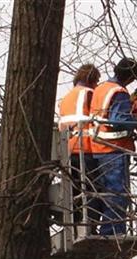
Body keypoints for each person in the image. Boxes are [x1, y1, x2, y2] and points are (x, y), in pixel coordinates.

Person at [90, 57, 137, 236]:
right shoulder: (119, 92)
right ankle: (113, 232)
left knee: (104, 192)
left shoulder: (102, 89)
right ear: (130, 77)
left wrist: (130, 102)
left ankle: (104, 229)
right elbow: (119, 121)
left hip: (98, 149)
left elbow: (106, 114)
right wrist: (136, 120)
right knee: (118, 193)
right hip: (114, 148)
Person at [58, 63, 102, 235]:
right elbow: (102, 116)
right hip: (87, 147)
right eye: (96, 80)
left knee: (76, 191)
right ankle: (89, 227)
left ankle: (77, 227)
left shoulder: (66, 99)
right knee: (93, 189)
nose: (97, 84)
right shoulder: (89, 94)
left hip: (69, 149)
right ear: (91, 79)